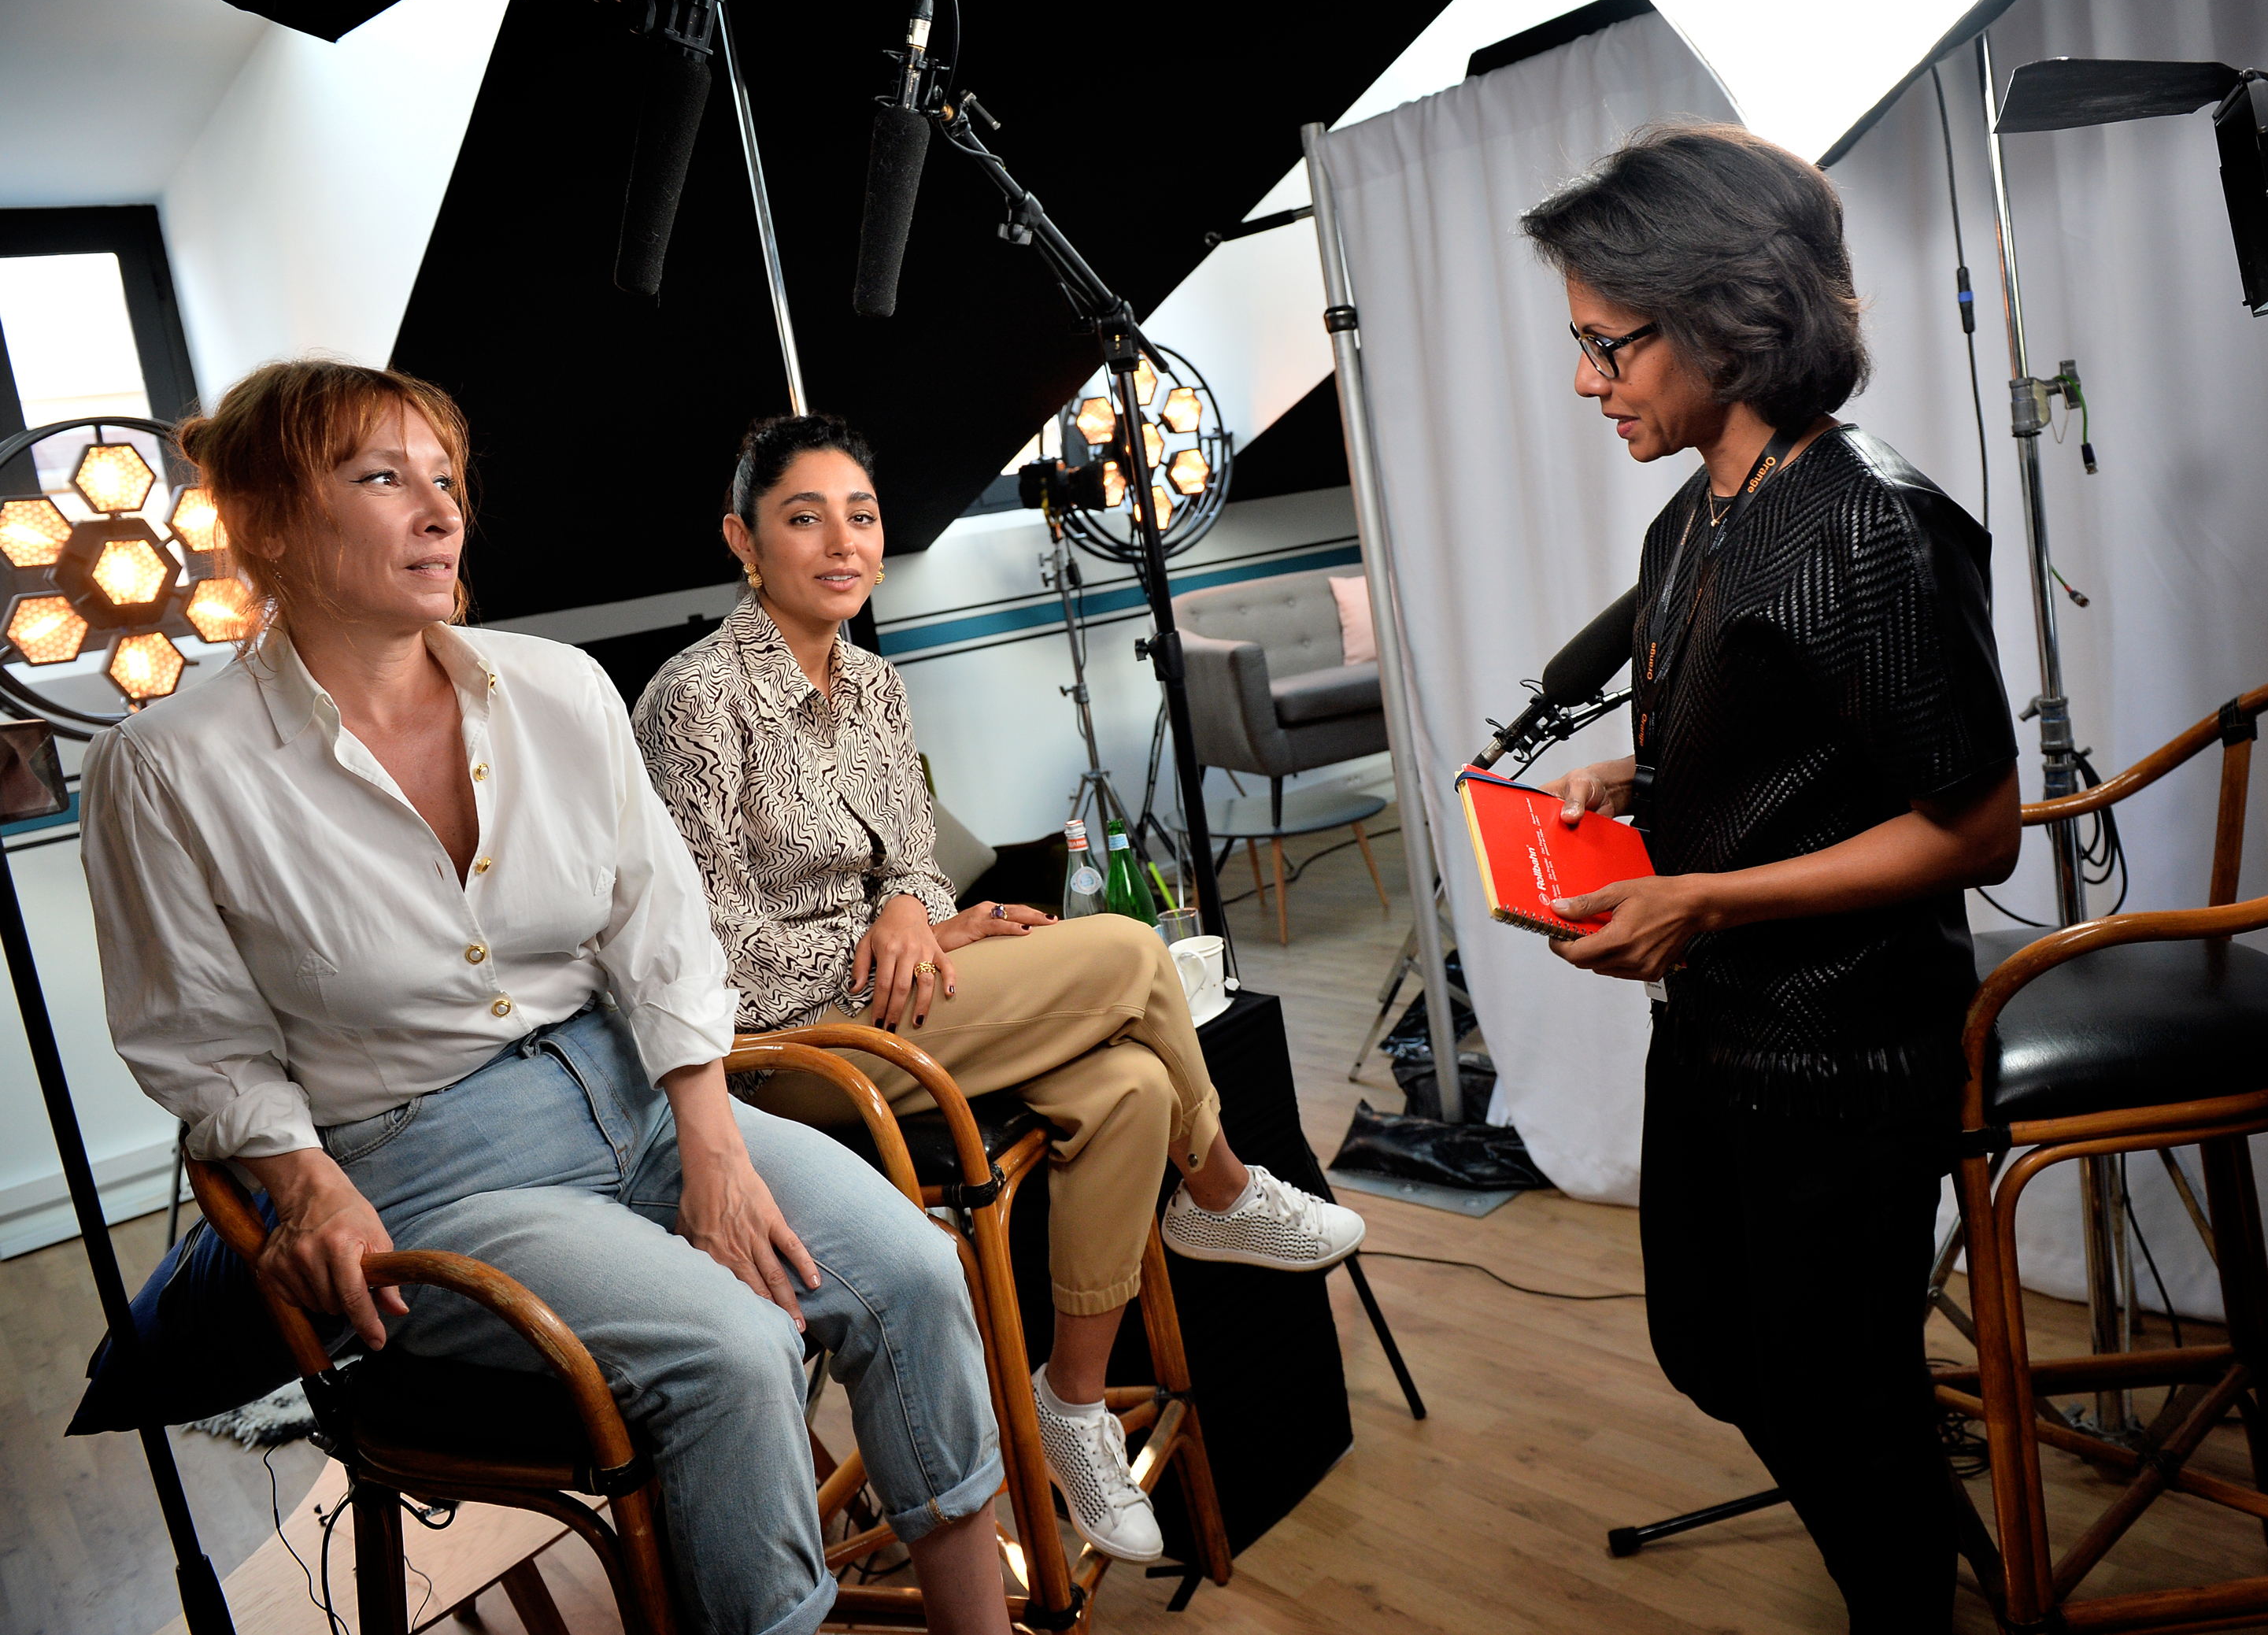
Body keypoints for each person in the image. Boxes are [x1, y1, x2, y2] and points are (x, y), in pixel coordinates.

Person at [81, 361, 1014, 1635]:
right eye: (383, 477)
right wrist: (305, 1185)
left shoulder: (555, 688)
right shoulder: (169, 769)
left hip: (636, 1092)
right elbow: (200, 1042)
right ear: (271, 526)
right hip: (437, 1168)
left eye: (446, 479)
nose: (438, 509)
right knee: (736, 1352)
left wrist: (714, 1140)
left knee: (912, 1265)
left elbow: (660, 927)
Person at [632, 412, 1366, 1567]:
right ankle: (1221, 1188)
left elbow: (914, 857)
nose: (840, 540)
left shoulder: (872, 685)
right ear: (744, 538)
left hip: (890, 998)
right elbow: (699, 950)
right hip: (787, 1051)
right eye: (802, 516)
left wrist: (920, 911)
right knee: (1127, 953)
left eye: (861, 516)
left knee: (1127, 1083)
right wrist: (880, 948)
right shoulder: (694, 700)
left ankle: (1072, 1401)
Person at [1520, 126, 2021, 1629]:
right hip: (1722, 1024)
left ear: (1728, 314)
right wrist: (1633, 776)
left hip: (1850, 1040)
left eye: (1610, 344)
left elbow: (1976, 827)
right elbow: (1776, 725)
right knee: (1712, 1346)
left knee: (1830, 1383)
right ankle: (1892, 1495)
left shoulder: (1875, 521)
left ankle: (1901, 1580)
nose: (1592, 381)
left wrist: (1707, 898)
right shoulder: (1698, 515)